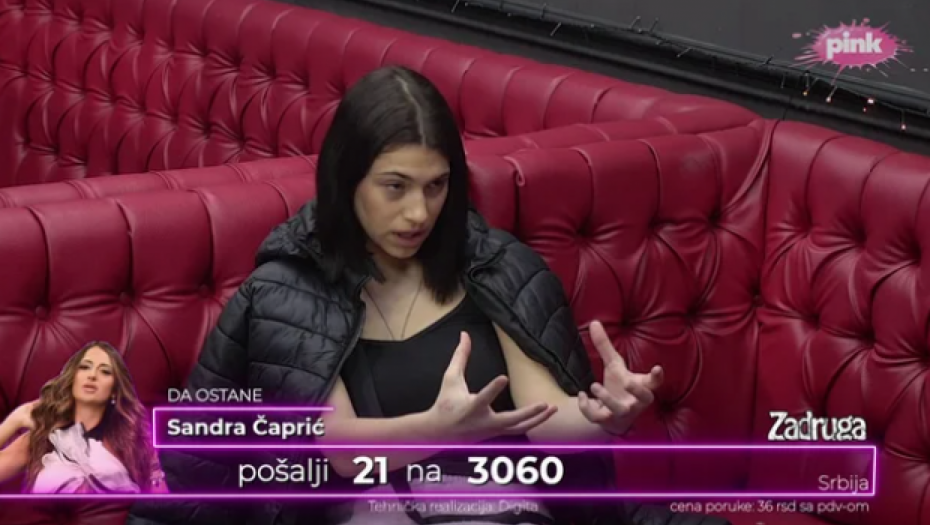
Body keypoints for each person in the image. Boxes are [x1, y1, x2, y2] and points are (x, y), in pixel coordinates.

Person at [127, 65, 728, 525]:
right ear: (346, 181)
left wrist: (606, 418)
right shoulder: (290, 289)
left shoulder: (494, 267)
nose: (419, 212)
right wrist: (439, 430)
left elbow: (545, 418)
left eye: (436, 186)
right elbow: (336, 450)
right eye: (395, 187)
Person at [0, 341, 167, 494]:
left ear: (115, 391)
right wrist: (14, 420)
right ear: (72, 378)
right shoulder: (41, 438)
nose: (92, 375)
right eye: (85, 367)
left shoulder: (133, 443)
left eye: (105, 371)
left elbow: (162, 506)